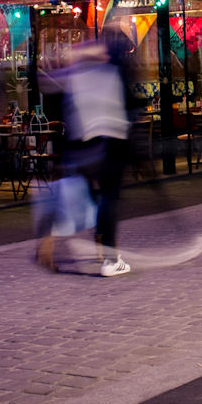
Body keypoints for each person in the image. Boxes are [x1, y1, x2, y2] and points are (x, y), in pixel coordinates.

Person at [37, 34, 133, 276]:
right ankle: (110, 259)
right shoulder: (111, 71)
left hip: (81, 146)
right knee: (108, 198)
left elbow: (47, 83)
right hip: (109, 142)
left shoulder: (77, 75)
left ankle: (55, 242)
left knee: (84, 197)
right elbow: (128, 106)